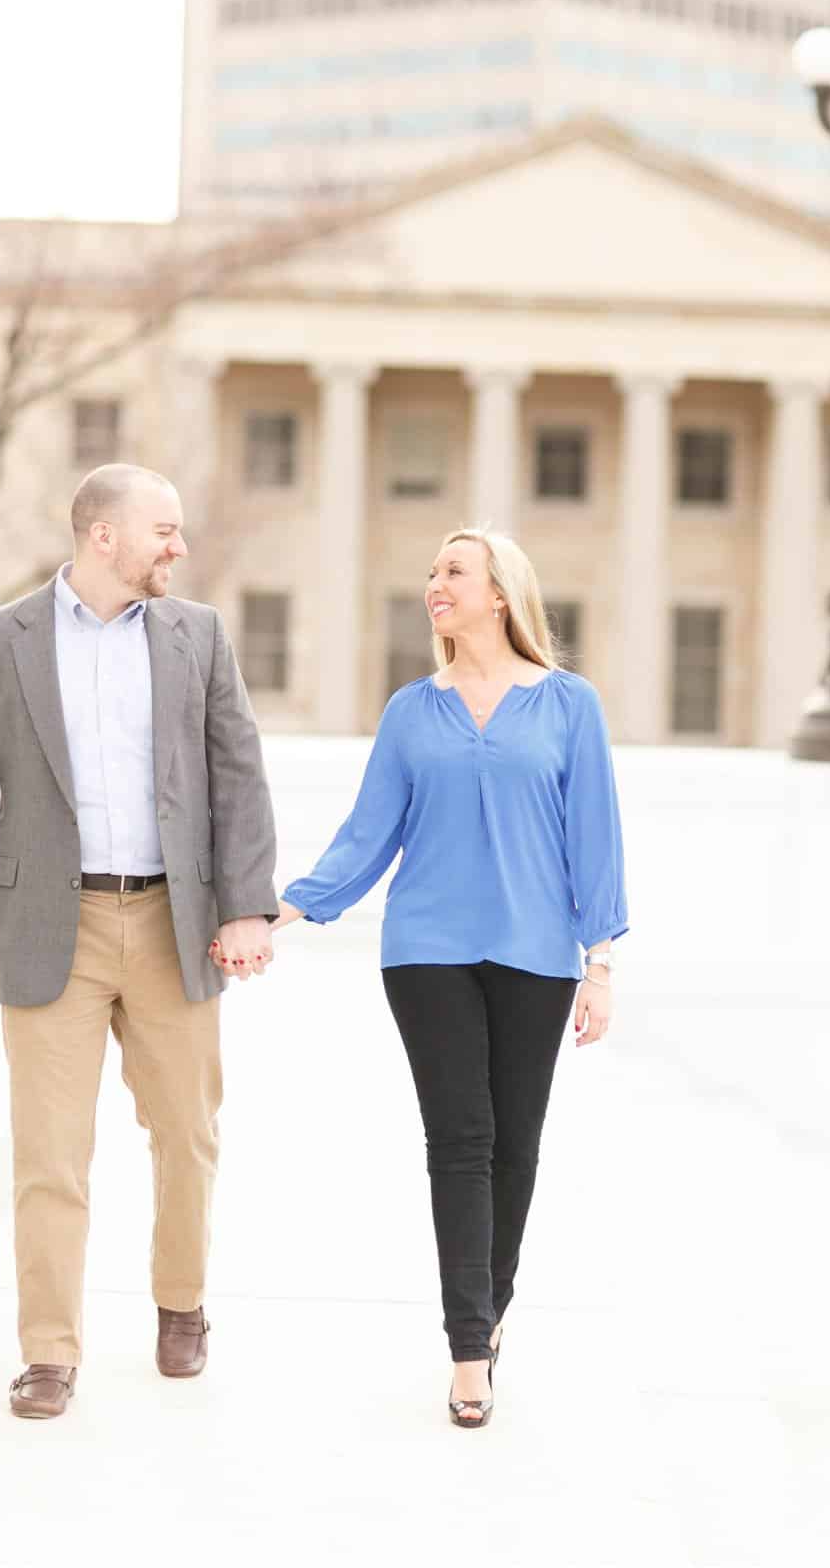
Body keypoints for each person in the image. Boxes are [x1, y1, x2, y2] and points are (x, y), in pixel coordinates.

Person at [217, 526, 628, 1429]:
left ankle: (490, 1305)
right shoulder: (412, 711)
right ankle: (467, 1346)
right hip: (428, 949)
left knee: (515, 1145)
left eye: (453, 571)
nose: (433, 584)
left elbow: (594, 838)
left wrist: (600, 963)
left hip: (538, 950)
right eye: (432, 572)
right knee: (461, 1138)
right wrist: (282, 909)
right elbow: (369, 834)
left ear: (500, 594)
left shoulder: (568, 705)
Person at [0, 464, 279, 1419]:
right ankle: (48, 1352)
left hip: (174, 924)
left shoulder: (197, 634)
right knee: (49, 1150)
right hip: (51, 928)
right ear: (103, 534)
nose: (180, 546)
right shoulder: (4, 638)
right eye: (165, 528)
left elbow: (239, 774)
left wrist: (247, 903)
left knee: (187, 1132)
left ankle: (182, 1302)